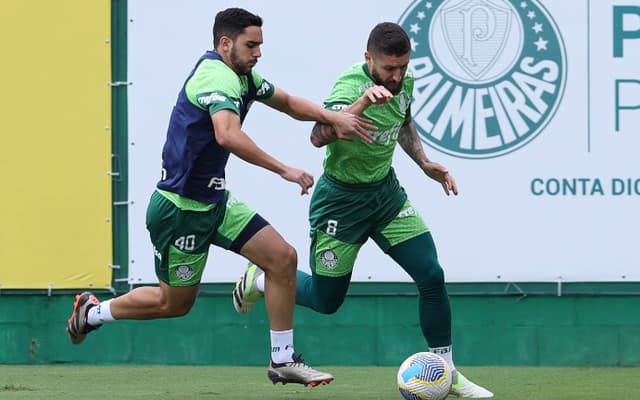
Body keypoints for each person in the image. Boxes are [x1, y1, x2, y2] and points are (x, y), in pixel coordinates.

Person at [66, 7, 375, 387]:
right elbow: (227, 134)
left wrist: (334, 117)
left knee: (282, 259)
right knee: (173, 304)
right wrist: (284, 169)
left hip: (215, 203)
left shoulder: (243, 77)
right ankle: (93, 313)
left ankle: (283, 360)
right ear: (225, 44)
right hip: (179, 211)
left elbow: (290, 102)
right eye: (251, 45)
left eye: (260, 45)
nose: (258, 52)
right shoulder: (215, 77)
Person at [232, 22, 494, 398]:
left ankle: (447, 373)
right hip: (340, 202)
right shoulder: (349, 89)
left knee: (431, 274)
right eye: (389, 69)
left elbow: (403, 122)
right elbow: (317, 137)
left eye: (403, 66)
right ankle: (260, 279)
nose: (397, 75)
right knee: (326, 300)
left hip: (386, 196)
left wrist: (423, 163)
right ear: (368, 59)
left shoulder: (405, 82)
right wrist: (362, 104)